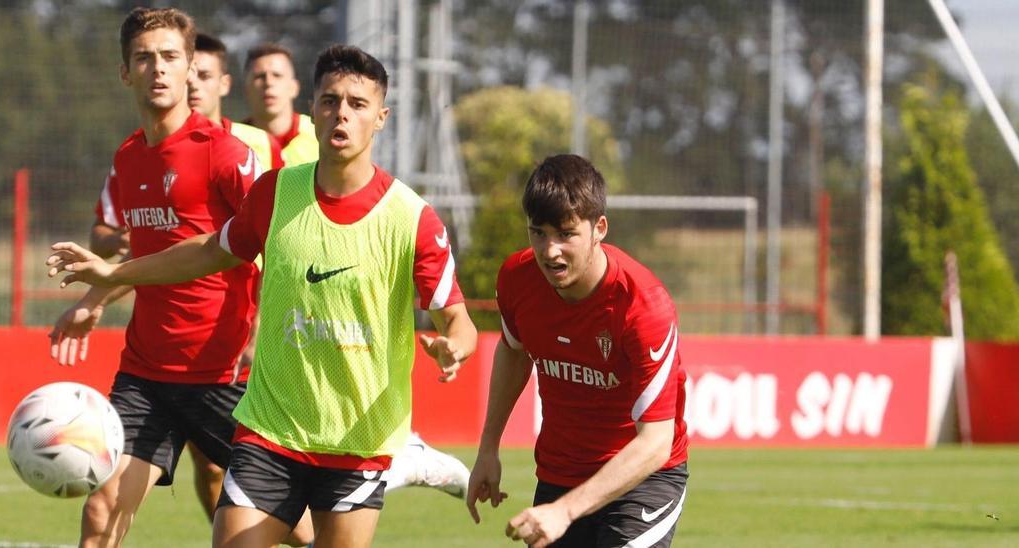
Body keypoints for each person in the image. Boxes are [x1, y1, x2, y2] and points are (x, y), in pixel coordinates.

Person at [47, 45, 479, 548]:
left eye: (358, 104)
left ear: (381, 117)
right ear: (313, 109)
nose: (342, 113)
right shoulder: (277, 192)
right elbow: (207, 251)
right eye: (330, 100)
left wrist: (456, 346)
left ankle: (409, 457)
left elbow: (458, 319)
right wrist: (112, 272)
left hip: (357, 440)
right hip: (270, 430)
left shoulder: (412, 218)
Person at [45, 8, 313, 547]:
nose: (158, 69)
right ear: (125, 72)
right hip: (146, 374)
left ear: (191, 67)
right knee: (101, 508)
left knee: (296, 527)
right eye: (144, 58)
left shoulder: (226, 154)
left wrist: (266, 337)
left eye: (171, 57)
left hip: (226, 375)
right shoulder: (128, 158)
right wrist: (96, 299)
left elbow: (276, 249)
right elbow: (154, 257)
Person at [465, 154, 690, 548]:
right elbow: (514, 352)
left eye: (566, 234)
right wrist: (488, 448)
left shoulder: (643, 305)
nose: (550, 251)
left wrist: (565, 512)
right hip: (559, 473)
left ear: (598, 228)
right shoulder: (517, 278)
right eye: (538, 233)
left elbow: (655, 443)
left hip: (642, 480)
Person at [188, 33, 281, 174]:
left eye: (204, 76)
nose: (193, 84)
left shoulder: (263, 143)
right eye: (187, 76)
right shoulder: (154, 144)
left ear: (225, 84)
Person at [243, 43, 318, 168]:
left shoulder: (319, 136)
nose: (268, 82)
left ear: (294, 88)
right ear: (246, 90)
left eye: (277, 75)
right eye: (260, 77)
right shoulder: (233, 141)